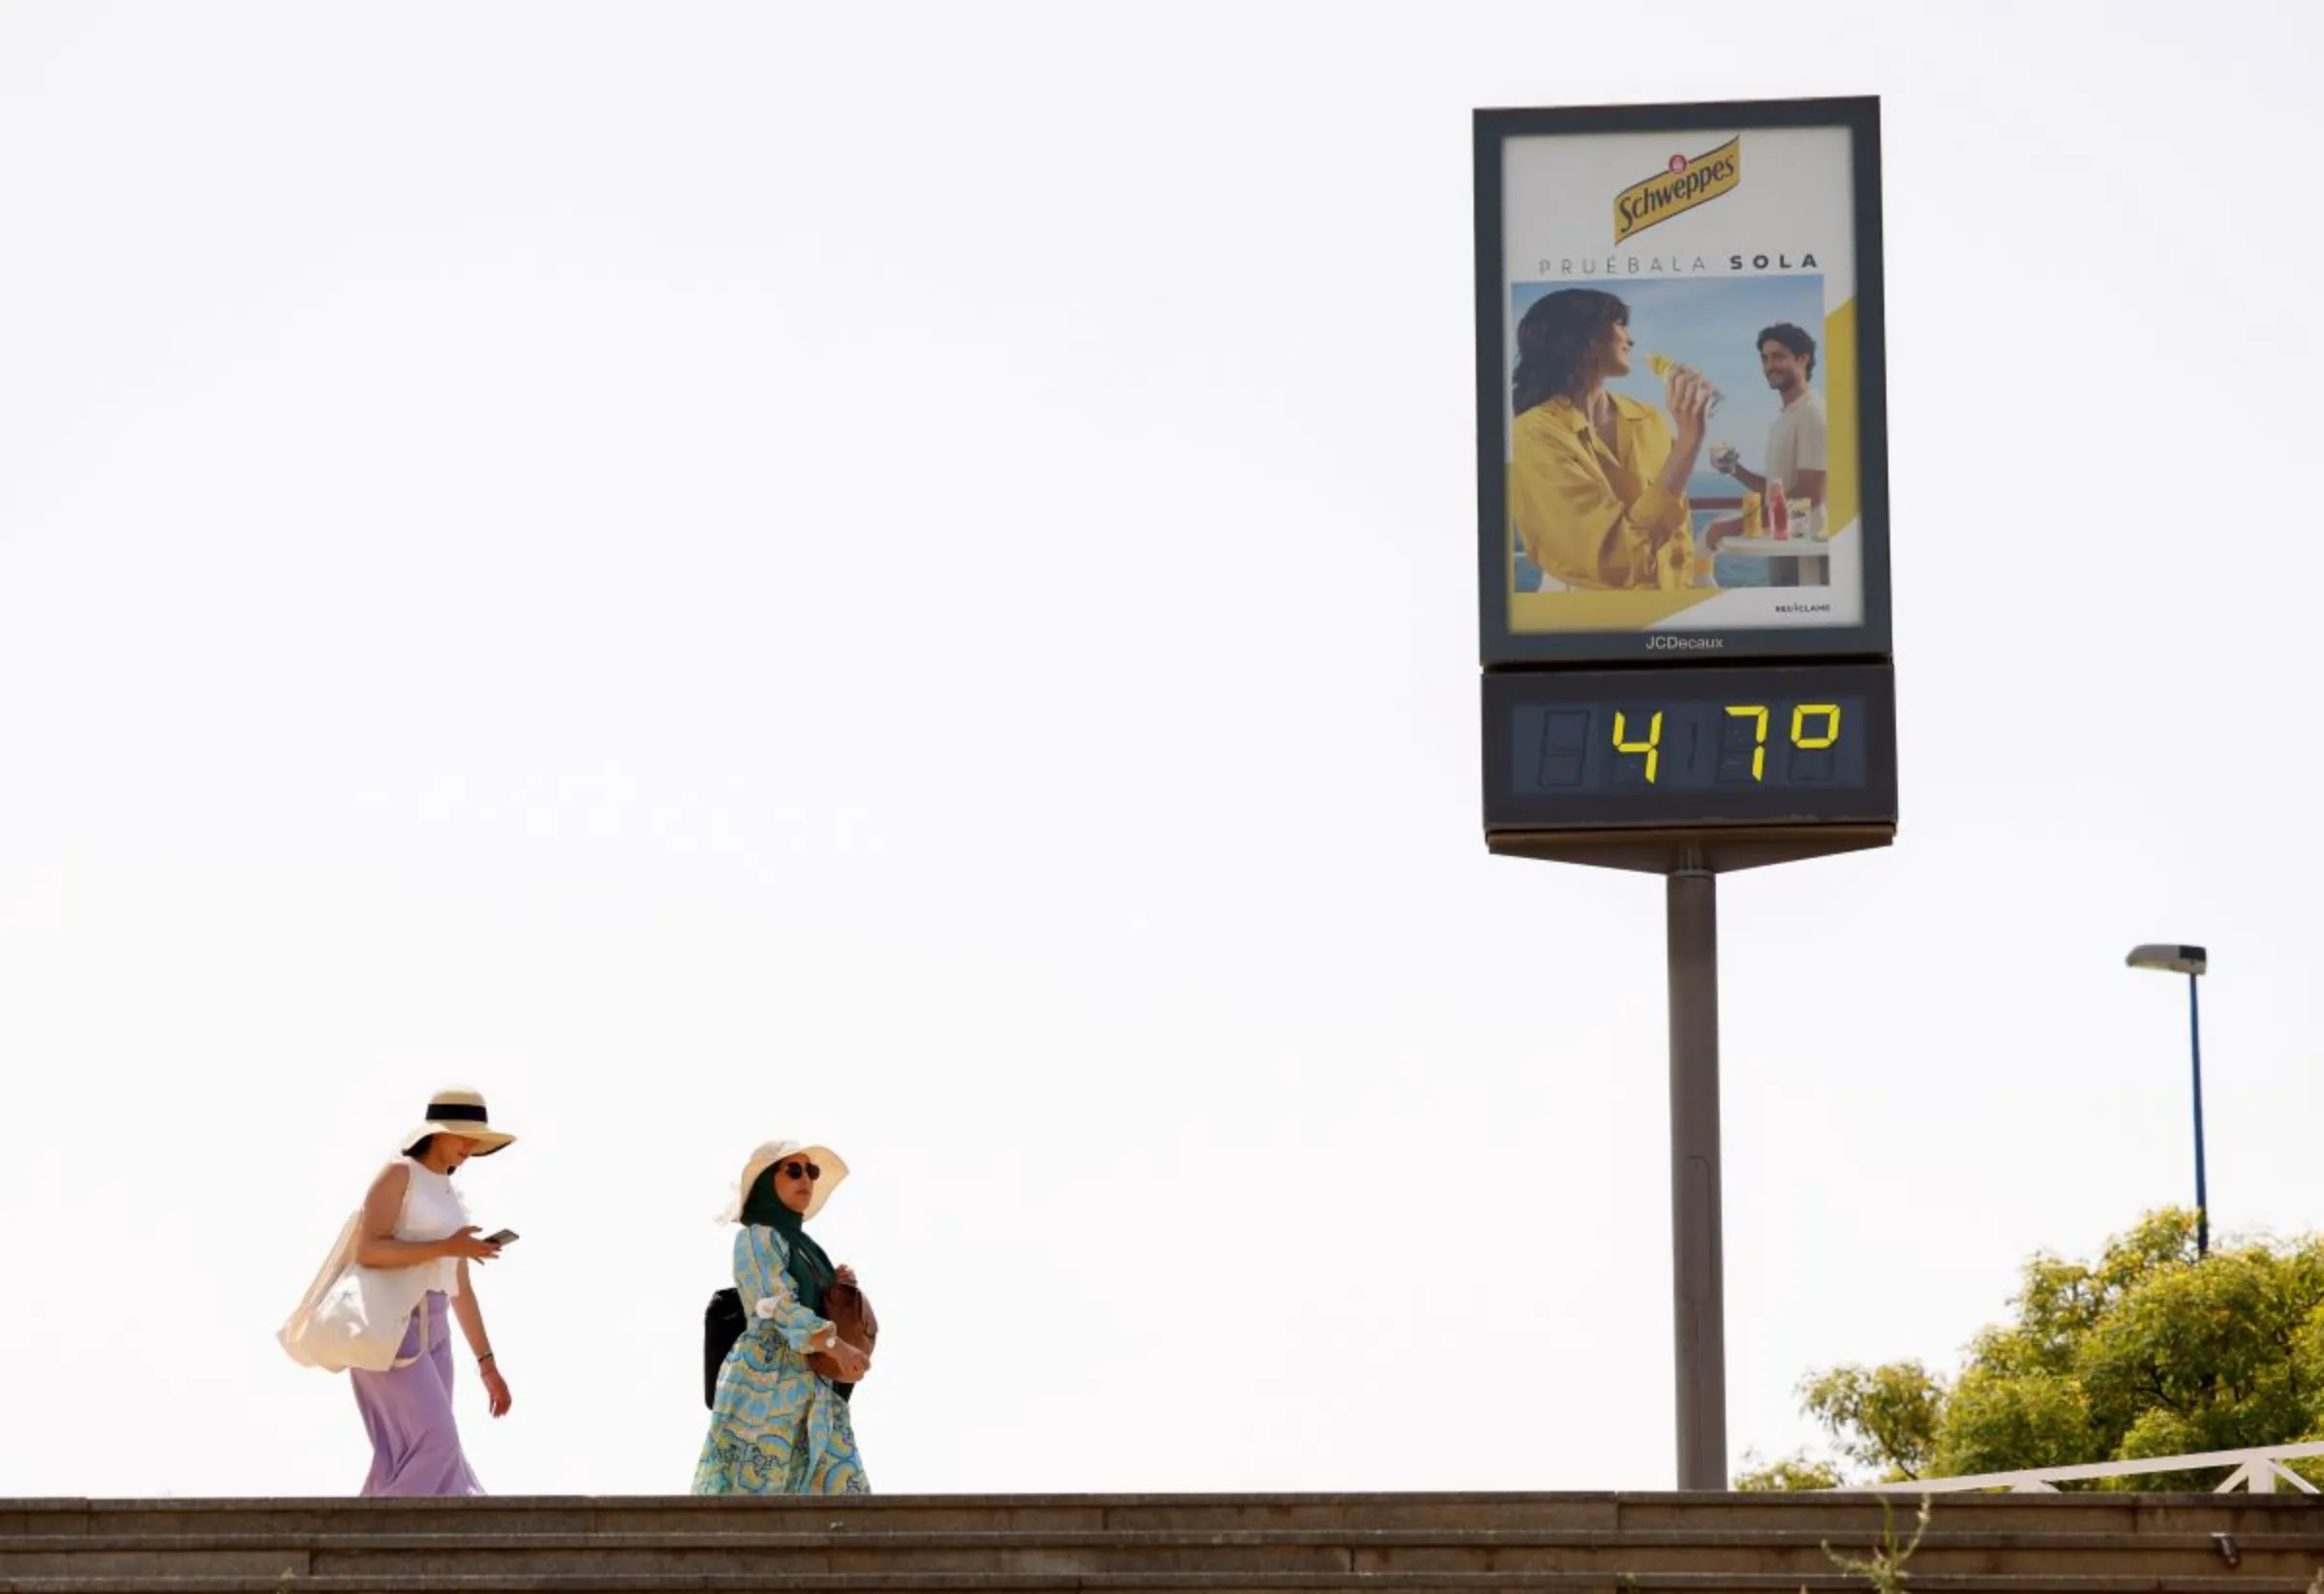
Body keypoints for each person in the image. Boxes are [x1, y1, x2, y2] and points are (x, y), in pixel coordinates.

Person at [347, 1088, 516, 1496]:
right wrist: (446, 1247)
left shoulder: (447, 1192)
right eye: (463, 1135)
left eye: (477, 1138)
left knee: (408, 1454)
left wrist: (488, 1365)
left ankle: (367, 1546)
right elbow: (368, 1250)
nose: (471, 1146)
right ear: (436, 1133)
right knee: (437, 1445)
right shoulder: (399, 1173)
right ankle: (372, 1542)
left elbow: (460, 1287)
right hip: (393, 1325)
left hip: (437, 1333)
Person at [692, 1140, 872, 1495]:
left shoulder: (804, 1247)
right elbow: (777, 1306)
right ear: (764, 1183)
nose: (806, 1178)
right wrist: (837, 1346)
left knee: (843, 1497)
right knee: (756, 1498)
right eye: (793, 1170)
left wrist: (832, 1285)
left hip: (814, 1388)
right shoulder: (756, 1238)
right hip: (766, 1385)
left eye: (811, 1171)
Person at [1509, 287, 1713, 593]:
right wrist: (1689, 440)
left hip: (1664, 605)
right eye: (1619, 325)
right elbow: (1614, 559)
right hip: (1582, 612)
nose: (1629, 340)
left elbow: (1677, 534)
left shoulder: (1648, 419)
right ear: (1583, 339)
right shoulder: (1535, 432)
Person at [1706, 322, 1827, 548]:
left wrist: (1737, 525)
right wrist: (1735, 469)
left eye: (1779, 356)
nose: (1770, 365)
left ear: (1803, 359)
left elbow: (1810, 495)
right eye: (1765, 358)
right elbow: (1779, 491)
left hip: (1806, 550)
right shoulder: (1788, 417)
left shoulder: (1813, 412)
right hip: (1786, 543)